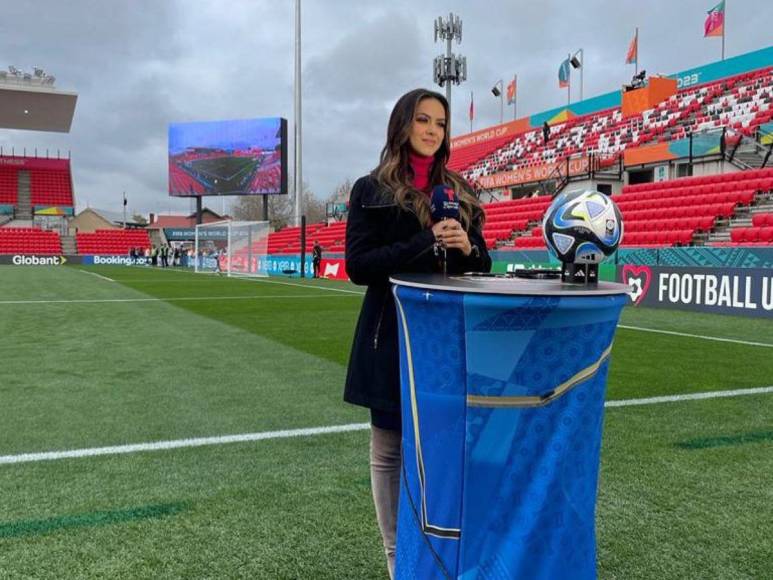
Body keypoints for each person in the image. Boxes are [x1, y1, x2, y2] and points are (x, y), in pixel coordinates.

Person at [344, 88, 491, 579]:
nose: (432, 130)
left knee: (446, 442)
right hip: (392, 337)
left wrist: (466, 246)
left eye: (440, 123)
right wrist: (425, 240)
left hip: (450, 339)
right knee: (389, 448)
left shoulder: (462, 193)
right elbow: (360, 267)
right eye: (423, 120)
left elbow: (485, 267)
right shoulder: (370, 189)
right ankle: (396, 558)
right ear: (403, 125)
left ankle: (443, 549)